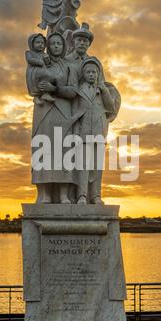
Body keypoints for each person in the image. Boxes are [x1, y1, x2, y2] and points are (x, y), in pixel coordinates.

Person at [28, 32, 81, 204]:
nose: (56, 46)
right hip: (44, 111)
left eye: (59, 43)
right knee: (42, 149)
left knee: (64, 150)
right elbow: (31, 85)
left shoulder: (69, 66)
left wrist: (54, 88)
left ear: (63, 46)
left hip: (63, 111)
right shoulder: (40, 62)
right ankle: (44, 194)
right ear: (47, 46)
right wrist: (41, 88)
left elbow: (73, 90)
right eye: (53, 43)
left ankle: (63, 194)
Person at [74, 58, 121, 204]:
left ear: (98, 74)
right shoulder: (79, 90)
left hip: (99, 132)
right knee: (83, 166)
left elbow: (111, 108)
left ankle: (95, 196)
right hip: (83, 133)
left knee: (97, 167)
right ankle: (81, 195)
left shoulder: (104, 90)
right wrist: (75, 132)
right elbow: (75, 113)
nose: (91, 75)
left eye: (94, 72)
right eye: (88, 72)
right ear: (84, 74)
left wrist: (105, 90)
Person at [25, 33, 54, 106]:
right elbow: (29, 60)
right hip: (33, 72)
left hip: (44, 72)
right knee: (35, 84)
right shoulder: (29, 53)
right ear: (32, 44)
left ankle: (45, 94)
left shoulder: (44, 54)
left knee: (48, 79)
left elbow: (48, 65)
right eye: (38, 42)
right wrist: (37, 62)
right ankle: (36, 97)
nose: (40, 44)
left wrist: (47, 60)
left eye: (42, 43)